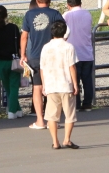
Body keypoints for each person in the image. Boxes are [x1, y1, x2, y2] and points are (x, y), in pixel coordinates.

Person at [21, 0, 65, 129]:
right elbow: (65, 31)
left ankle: (40, 120)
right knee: (52, 87)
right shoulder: (55, 14)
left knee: (37, 87)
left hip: (34, 55)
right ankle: (53, 120)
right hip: (52, 54)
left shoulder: (29, 15)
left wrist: (23, 54)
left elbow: (24, 36)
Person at [39, 21, 79, 149]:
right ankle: (67, 139)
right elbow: (71, 66)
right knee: (69, 114)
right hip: (66, 84)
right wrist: (75, 84)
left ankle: (55, 141)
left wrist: (44, 84)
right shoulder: (68, 47)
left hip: (51, 84)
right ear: (64, 32)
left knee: (52, 115)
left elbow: (42, 68)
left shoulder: (46, 47)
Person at [0, 5, 23, 119]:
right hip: (13, 60)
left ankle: (17, 110)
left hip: (0, 60)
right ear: (6, 15)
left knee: (7, 86)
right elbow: (19, 43)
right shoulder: (13, 27)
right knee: (14, 86)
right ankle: (13, 111)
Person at [63, 0, 95, 111]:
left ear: (68, 5)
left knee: (73, 80)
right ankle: (87, 104)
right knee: (87, 80)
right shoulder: (87, 14)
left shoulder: (66, 15)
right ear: (80, 3)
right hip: (87, 52)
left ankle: (75, 104)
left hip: (72, 53)